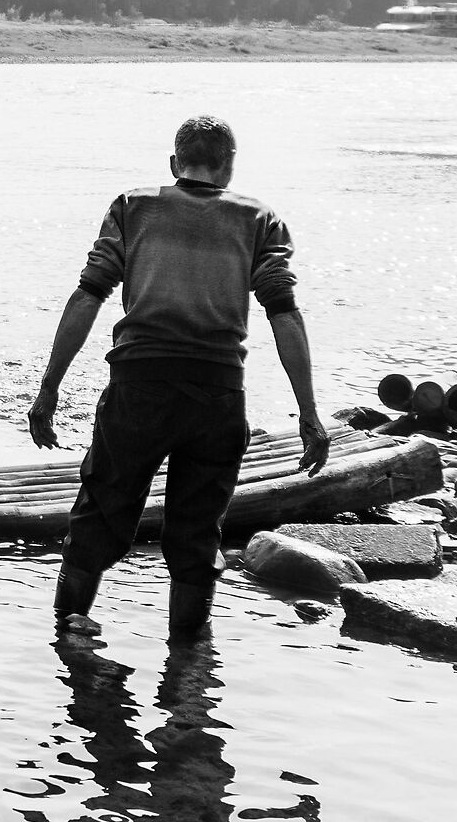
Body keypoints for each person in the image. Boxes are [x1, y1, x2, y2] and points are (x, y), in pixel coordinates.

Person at [27, 116, 328, 641]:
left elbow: (87, 296)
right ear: (229, 166)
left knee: (100, 513)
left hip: (137, 390)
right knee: (196, 531)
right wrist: (308, 411)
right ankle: (188, 661)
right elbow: (284, 313)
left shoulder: (133, 206)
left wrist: (49, 387)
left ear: (174, 164)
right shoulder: (259, 219)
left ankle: (70, 633)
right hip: (217, 395)